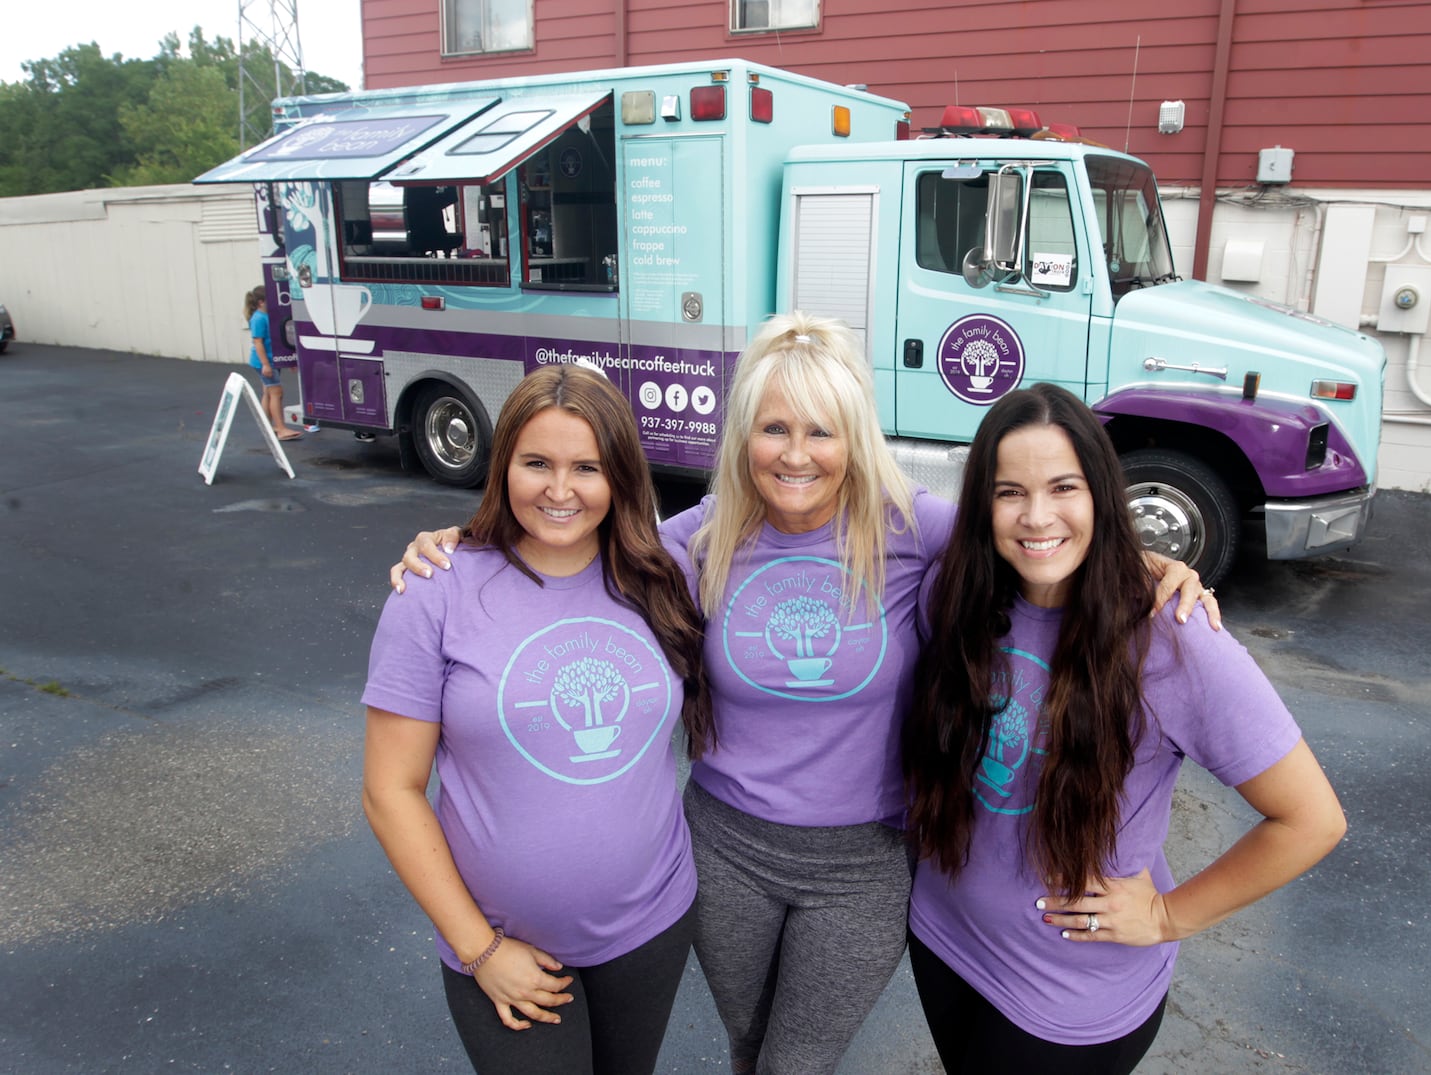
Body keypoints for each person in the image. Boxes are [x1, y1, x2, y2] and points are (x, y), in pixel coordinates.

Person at [389, 314, 1217, 1075]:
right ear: (744, 435)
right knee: (751, 1048)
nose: (796, 452)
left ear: (853, 438)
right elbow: (578, 533)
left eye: (821, 429)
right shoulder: (698, 541)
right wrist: (464, 539)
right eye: (775, 427)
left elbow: (1029, 530)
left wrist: (1148, 562)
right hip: (725, 849)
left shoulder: (909, 527)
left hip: (864, 861)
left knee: (794, 1065)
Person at [901, 382, 1347, 1075]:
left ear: (1102, 493)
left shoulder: (1171, 637)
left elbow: (1312, 819)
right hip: (942, 939)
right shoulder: (953, 593)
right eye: (1009, 491)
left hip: (1067, 1000)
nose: (1036, 515)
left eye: (1063, 487)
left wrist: (1170, 916)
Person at [361, 363, 713, 1075]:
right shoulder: (436, 588)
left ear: (619, 474)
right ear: (502, 465)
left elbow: (790, 502)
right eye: (536, 463)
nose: (560, 489)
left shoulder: (665, 573)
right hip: (498, 940)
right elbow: (390, 790)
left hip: (650, 924)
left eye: (586, 466)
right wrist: (479, 949)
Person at [244, 286, 300, 441]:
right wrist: (265, 365)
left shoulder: (267, 316)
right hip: (265, 361)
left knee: (269, 392)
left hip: (271, 360)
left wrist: (289, 360)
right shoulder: (258, 318)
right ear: (261, 302)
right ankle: (281, 429)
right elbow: (258, 342)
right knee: (277, 393)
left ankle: (267, 425)